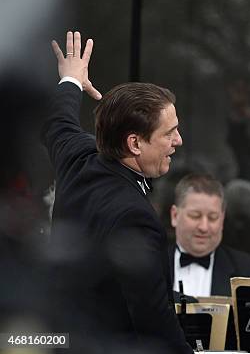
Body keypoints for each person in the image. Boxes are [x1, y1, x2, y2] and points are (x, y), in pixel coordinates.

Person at [44, 31, 192, 353]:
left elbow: (58, 123)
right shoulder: (134, 217)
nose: (178, 141)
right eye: (169, 133)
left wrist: (71, 80)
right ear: (135, 143)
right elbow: (153, 321)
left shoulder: (78, 157)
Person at [169, 173, 250, 297]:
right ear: (175, 216)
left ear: (222, 219)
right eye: (195, 216)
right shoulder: (149, 266)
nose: (203, 227)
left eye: (213, 218)